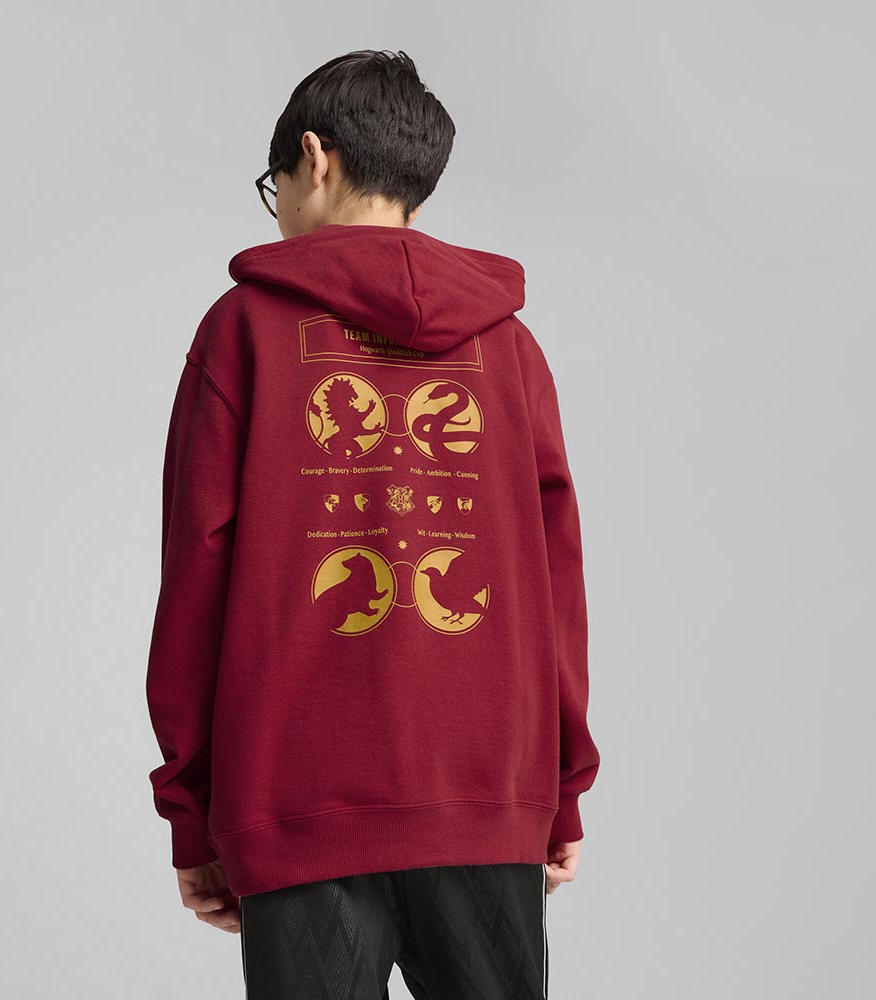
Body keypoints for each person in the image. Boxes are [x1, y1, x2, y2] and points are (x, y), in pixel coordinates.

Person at [144, 49, 600, 999]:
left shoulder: (242, 330)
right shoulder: (509, 347)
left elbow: (195, 579)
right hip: (486, 794)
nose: (277, 208)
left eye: (273, 186)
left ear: (313, 159)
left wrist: (193, 813)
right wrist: (559, 791)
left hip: (295, 798)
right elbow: (557, 582)